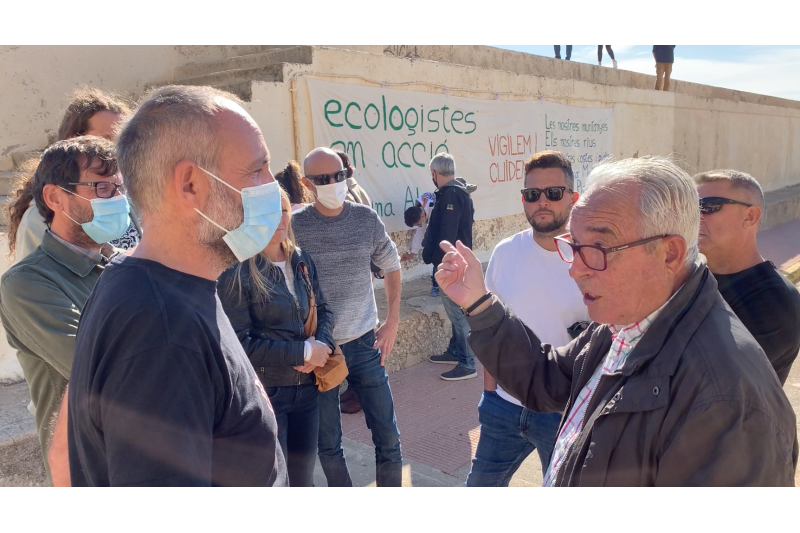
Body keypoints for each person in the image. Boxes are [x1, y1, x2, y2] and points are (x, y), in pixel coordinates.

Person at [437, 156, 797, 486]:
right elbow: (547, 379)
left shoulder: (730, 407)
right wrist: (478, 303)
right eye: (574, 245)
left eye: (597, 249)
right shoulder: (624, 321)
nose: (576, 269)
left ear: (669, 252)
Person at [67, 85, 288, 487]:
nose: (272, 185)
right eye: (257, 168)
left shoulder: (156, 285)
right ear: (190, 184)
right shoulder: (161, 331)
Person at [0, 137, 129, 486]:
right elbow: (107, 373)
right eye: (103, 187)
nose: (118, 200)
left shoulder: (129, 266)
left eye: (120, 188)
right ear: (56, 198)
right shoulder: (28, 284)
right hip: (88, 468)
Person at [467, 150, 589, 487]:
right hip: (503, 409)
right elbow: (491, 326)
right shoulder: (506, 252)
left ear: (573, 198)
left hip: (562, 416)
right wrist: (490, 393)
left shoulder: (592, 260)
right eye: (532, 195)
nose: (542, 202)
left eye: (554, 193)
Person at [292, 146, 403, 487]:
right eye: (323, 179)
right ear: (307, 183)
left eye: (339, 176)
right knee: (328, 445)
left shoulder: (365, 219)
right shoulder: (295, 227)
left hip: (365, 343)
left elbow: (392, 264)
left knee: (388, 438)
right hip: (321, 351)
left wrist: (393, 321)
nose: (334, 183)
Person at [219, 188, 333, 487]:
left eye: (283, 210)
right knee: (274, 481)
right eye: (270, 212)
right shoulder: (238, 270)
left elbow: (323, 309)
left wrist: (320, 347)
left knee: (303, 478)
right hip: (269, 393)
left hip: (307, 391)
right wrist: (302, 353)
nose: (280, 219)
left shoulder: (301, 260)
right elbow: (239, 345)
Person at [6, 87, 139, 265]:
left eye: (122, 140)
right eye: (105, 139)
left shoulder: (122, 194)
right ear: (75, 141)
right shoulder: (41, 217)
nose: (115, 149)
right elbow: (33, 280)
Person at [694, 169, 800, 385]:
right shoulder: (690, 277)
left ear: (750, 216)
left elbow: (708, 387)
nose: (695, 216)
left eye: (708, 206)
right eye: (691, 207)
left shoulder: (776, 304)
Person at [422, 153, 477, 381]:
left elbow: (447, 233)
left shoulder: (452, 195)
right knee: (456, 311)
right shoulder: (456, 192)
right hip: (454, 262)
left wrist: (440, 263)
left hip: (451, 265)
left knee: (457, 313)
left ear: (434, 173)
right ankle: (455, 350)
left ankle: (467, 363)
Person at [402, 191, 439, 296]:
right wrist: (412, 253)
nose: (420, 225)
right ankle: (436, 285)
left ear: (423, 216)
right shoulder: (420, 208)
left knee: (438, 254)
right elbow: (420, 232)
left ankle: (437, 286)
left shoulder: (433, 208)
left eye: (419, 223)